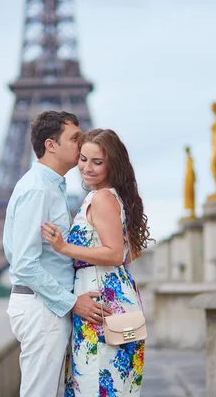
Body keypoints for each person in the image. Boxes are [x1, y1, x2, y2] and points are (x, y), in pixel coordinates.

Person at [3, 111, 113, 397]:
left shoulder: (49, 187)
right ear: (51, 145)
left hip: (46, 305)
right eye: (75, 138)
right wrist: (72, 302)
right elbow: (25, 264)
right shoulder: (39, 190)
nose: (82, 143)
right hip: (43, 308)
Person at [42, 128, 152, 397]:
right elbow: (129, 252)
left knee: (96, 383)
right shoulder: (109, 196)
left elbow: (115, 254)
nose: (86, 168)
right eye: (83, 159)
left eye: (97, 162)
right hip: (113, 299)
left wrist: (64, 247)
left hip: (100, 307)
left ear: (112, 164)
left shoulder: (102, 198)